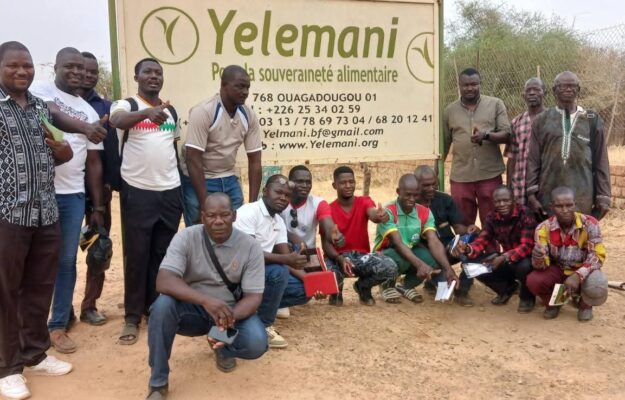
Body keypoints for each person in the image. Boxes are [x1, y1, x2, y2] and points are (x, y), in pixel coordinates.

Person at [0, 41, 76, 400]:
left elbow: (54, 154)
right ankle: (7, 368)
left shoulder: (40, 107)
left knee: (39, 287)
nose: (22, 71)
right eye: (13, 65)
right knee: (5, 292)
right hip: (7, 215)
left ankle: (34, 353)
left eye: (27, 65)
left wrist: (64, 152)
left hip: (46, 212)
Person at [146, 193, 267, 400]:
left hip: (229, 312)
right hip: (192, 310)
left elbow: (253, 297)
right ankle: (158, 382)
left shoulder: (250, 246)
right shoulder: (186, 237)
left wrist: (228, 321)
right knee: (162, 306)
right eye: (211, 215)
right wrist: (205, 301)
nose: (218, 221)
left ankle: (222, 348)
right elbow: (164, 281)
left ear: (234, 216)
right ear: (202, 217)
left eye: (225, 215)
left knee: (256, 343)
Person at [30, 47, 106, 354]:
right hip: (38, 192)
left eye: (81, 68)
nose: (76, 72)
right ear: (56, 67)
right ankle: (30, 325)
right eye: (69, 66)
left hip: (72, 195)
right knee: (34, 260)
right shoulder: (40, 91)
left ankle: (58, 325)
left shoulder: (89, 111)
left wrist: (98, 206)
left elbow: (94, 163)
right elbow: (51, 114)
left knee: (66, 261)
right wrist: (86, 128)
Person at [109, 58, 183, 346]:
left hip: (170, 191)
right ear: (136, 77)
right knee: (137, 255)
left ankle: (154, 308)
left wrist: (178, 186)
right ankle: (132, 316)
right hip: (138, 191)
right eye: (148, 72)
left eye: (158, 72)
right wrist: (147, 113)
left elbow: (171, 148)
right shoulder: (126, 104)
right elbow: (116, 121)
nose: (154, 76)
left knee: (162, 255)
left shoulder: (171, 110)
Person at [233, 175, 311, 349]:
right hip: (239, 276)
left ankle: (254, 313)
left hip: (259, 277)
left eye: (287, 195)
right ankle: (264, 324)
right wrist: (286, 260)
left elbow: (286, 257)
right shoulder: (249, 212)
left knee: (304, 290)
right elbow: (249, 255)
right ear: (265, 191)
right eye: (278, 192)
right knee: (278, 271)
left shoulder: (278, 222)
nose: (283, 198)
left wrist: (310, 281)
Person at [180, 65, 262, 226]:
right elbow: (193, 159)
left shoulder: (248, 115)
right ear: (224, 85)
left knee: (237, 228)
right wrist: (204, 203)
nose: (245, 92)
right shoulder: (204, 111)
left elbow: (255, 161)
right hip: (200, 179)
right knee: (201, 229)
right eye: (240, 86)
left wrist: (252, 206)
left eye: (247, 87)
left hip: (229, 178)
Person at [526, 71, 611, 220]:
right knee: (550, 233)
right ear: (554, 90)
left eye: (572, 86)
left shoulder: (592, 119)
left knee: (581, 231)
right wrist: (531, 194)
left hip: (583, 194)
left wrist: (604, 195)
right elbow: (533, 160)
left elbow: (601, 160)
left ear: (579, 90)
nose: (568, 89)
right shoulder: (541, 120)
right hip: (548, 194)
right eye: (563, 86)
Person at [77, 51, 118, 326]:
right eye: (83, 70)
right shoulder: (56, 104)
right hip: (65, 190)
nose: (88, 75)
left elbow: (111, 150)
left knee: (97, 248)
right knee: (63, 253)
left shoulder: (105, 107)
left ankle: (89, 305)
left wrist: (108, 185)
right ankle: (62, 311)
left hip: (97, 193)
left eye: (93, 71)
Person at [373, 174, 459, 304]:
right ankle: (386, 284)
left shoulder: (424, 212)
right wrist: (420, 265)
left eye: (415, 195)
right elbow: (397, 243)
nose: (412, 199)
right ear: (398, 192)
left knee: (433, 259)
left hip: (409, 251)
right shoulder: (388, 212)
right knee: (400, 259)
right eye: (408, 195)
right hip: (387, 252)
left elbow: (434, 241)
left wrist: (448, 269)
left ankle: (406, 285)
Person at [526, 186, 608, 321]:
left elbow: (597, 256)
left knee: (597, 281)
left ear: (575, 204)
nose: (565, 210)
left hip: (582, 270)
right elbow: (541, 266)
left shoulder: (590, 224)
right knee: (534, 280)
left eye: (569, 205)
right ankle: (556, 302)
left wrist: (577, 275)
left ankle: (585, 305)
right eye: (559, 206)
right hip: (559, 270)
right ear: (552, 207)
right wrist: (538, 258)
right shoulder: (543, 228)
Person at [442, 68, 511, 226]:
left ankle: (491, 244)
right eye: (465, 85)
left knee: (493, 222)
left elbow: (507, 134)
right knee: (462, 223)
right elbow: (444, 143)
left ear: (480, 84)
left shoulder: (495, 104)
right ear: (459, 85)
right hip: (461, 176)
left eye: (474, 84)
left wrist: (486, 136)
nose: (470, 88)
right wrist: (436, 170)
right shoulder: (449, 111)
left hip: (489, 174)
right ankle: (468, 243)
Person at [452, 186, 537, 312]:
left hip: (525, 259)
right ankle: (506, 289)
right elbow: (482, 240)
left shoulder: (525, 214)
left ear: (513, 200)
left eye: (506, 200)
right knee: (472, 265)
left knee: (524, 266)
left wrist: (503, 257)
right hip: (507, 260)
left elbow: (527, 246)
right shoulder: (492, 217)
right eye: (498, 201)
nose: (502, 204)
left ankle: (527, 298)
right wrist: (468, 248)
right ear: (493, 202)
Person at [325, 166, 398, 306]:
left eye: (351, 182)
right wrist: (340, 258)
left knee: (390, 267)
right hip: (336, 257)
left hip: (360, 257)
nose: (348, 186)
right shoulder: (328, 209)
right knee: (330, 277)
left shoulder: (364, 201)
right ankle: (336, 292)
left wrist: (379, 215)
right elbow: (326, 245)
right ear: (334, 185)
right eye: (343, 183)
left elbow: (373, 214)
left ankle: (363, 286)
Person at [278, 165, 344, 314]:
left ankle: (286, 296)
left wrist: (333, 234)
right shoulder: (279, 201)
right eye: (300, 181)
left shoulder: (318, 203)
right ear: (290, 183)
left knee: (313, 289)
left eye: (308, 182)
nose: (305, 185)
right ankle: (278, 301)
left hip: (307, 257)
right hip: (283, 253)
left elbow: (327, 224)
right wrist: (293, 238)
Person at [413, 165, 477, 305]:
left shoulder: (445, 199)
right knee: (445, 286)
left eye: (434, 184)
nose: (431, 188)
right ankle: (433, 281)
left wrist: (471, 231)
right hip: (427, 256)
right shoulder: (410, 205)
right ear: (416, 184)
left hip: (449, 249)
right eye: (426, 185)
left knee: (475, 244)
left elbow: (458, 227)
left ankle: (463, 290)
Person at [505, 78, 546, 206]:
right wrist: (509, 187)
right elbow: (512, 157)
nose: (532, 93)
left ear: (545, 93)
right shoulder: (516, 122)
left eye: (537, 90)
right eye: (528, 90)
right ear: (523, 95)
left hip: (544, 183)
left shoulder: (552, 119)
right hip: (520, 183)